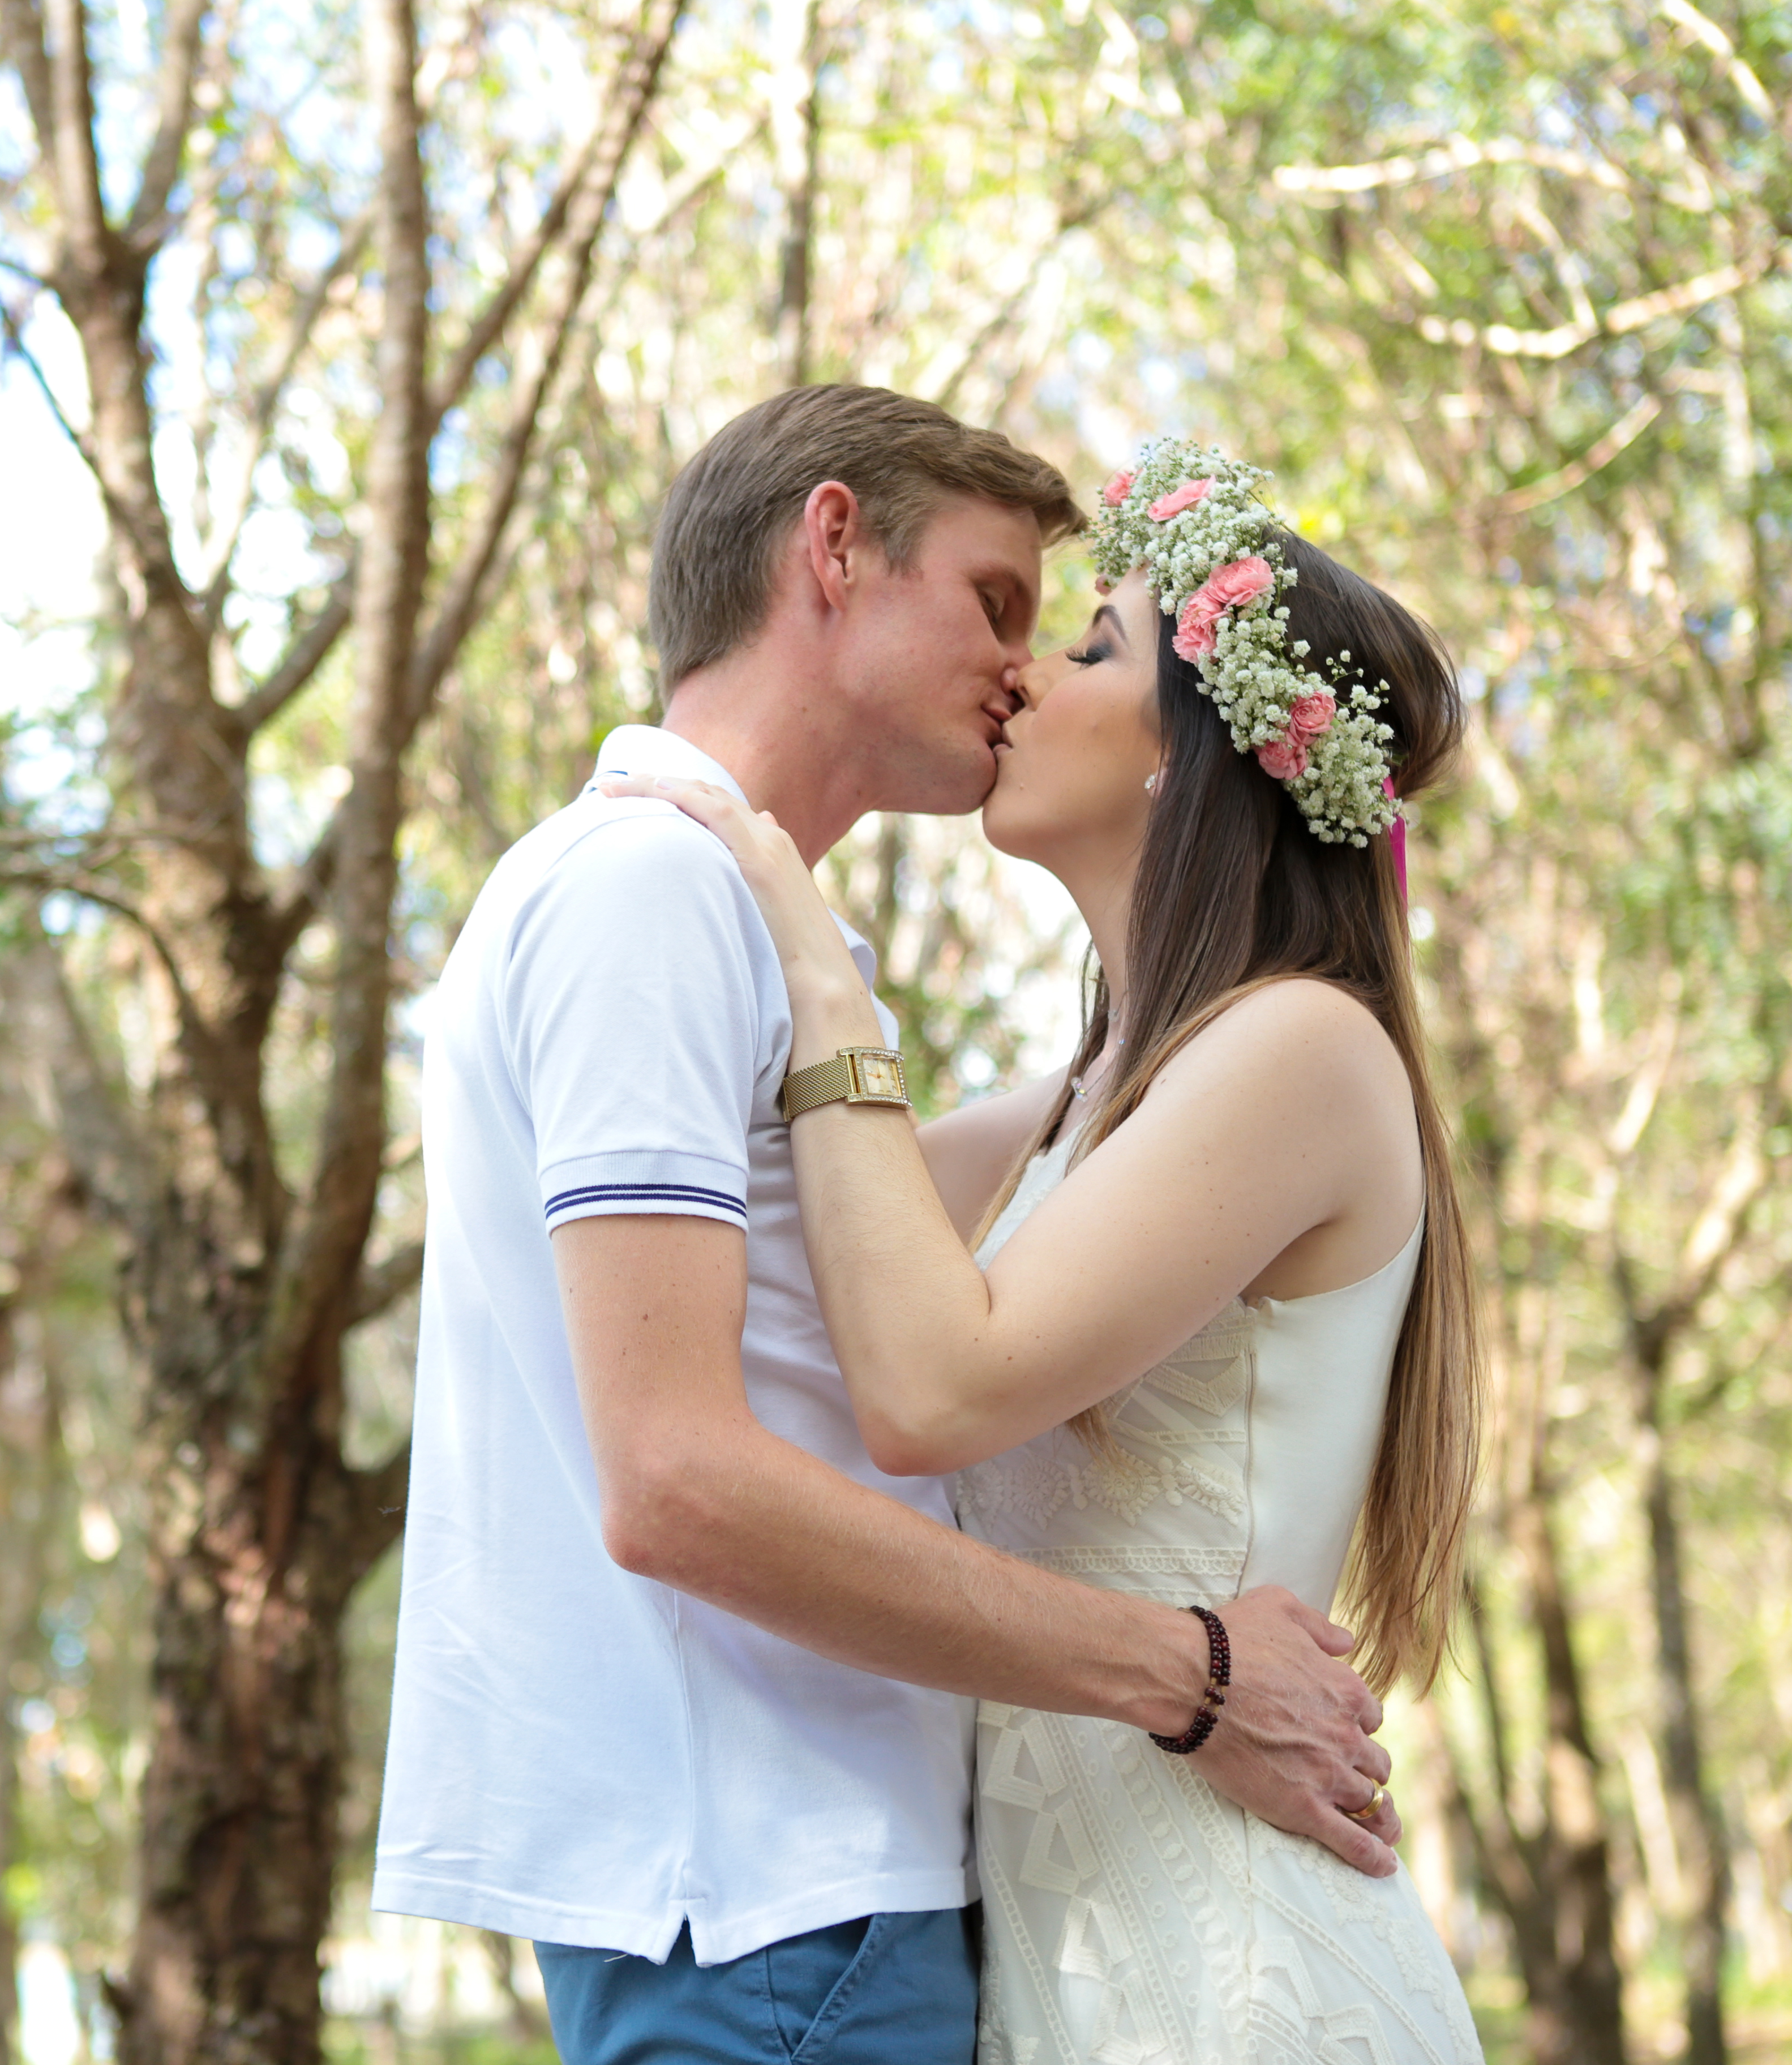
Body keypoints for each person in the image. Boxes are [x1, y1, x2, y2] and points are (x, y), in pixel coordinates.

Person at [371, 390, 1403, 2065]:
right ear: (834, 547)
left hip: (841, 1908)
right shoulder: (656, 893)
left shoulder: (731, 921)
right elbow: (679, 1478)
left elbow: (934, 1266)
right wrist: (1188, 1673)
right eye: (1001, 607)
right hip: (776, 1908)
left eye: (1068, 639)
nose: (1020, 667)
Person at [607, 432, 1487, 2061]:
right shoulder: (1082, 1114)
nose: (1022, 677)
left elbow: (934, 1388)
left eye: (1088, 645)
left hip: (1229, 1979)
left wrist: (816, 961)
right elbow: (771, 1250)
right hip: (1055, 1970)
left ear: (1188, 761)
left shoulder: (1304, 1053)